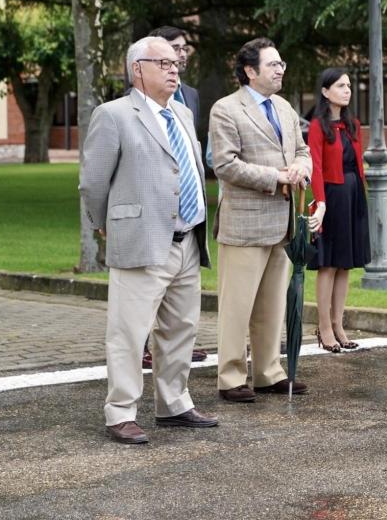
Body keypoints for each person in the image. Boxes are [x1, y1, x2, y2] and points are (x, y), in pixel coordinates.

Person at [79, 36, 217, 444]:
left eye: (176, 63)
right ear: (137, 69)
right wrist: (105, 223)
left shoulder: (182, 113)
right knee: (129, 332)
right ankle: (120, 411)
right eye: (164, 63)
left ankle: (173, 403)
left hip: (188, 240)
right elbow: (92, 182)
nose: (174, 69)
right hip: (141, 238)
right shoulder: (113, 115)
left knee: (180, 328)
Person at [209, 37, 312, 403]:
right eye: (273, 64)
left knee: (272, 306)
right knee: (237, 308)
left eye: (281, 64)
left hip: (281, 224)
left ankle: (269, 373)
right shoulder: (226, 109)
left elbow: (303, 150)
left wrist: (301, 167)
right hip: (245, 224)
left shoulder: (284, 107)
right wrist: (276, 177)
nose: (280, 69)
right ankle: (230, 377)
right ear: (250, 71)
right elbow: (225, 164)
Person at [142, 25, 207, 368]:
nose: (180, 55)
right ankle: (144, 346)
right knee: (146, 295)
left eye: (183, 49)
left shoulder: (189, 96)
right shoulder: (133, 99)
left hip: (187, 216)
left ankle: (175, 349)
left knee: (181, 301)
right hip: (153, 212)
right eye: (173, 49)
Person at [306, 68, 371, 352]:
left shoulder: (352, 124)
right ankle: (323, 328)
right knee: (329, 263)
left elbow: (357, 164)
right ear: (325, 91)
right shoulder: (317, 126)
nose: (347, 90)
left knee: (345, 263)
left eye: (348, 86)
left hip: (353, 194)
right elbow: (316, 167)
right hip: (331, 197)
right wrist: (320, 203)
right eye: (340, 86)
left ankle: (338, 324)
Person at [148, 26, 201, 130]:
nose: (183, 54)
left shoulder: (192, 94)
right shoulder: (144, 93)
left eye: (184, 48)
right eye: (175, 48)